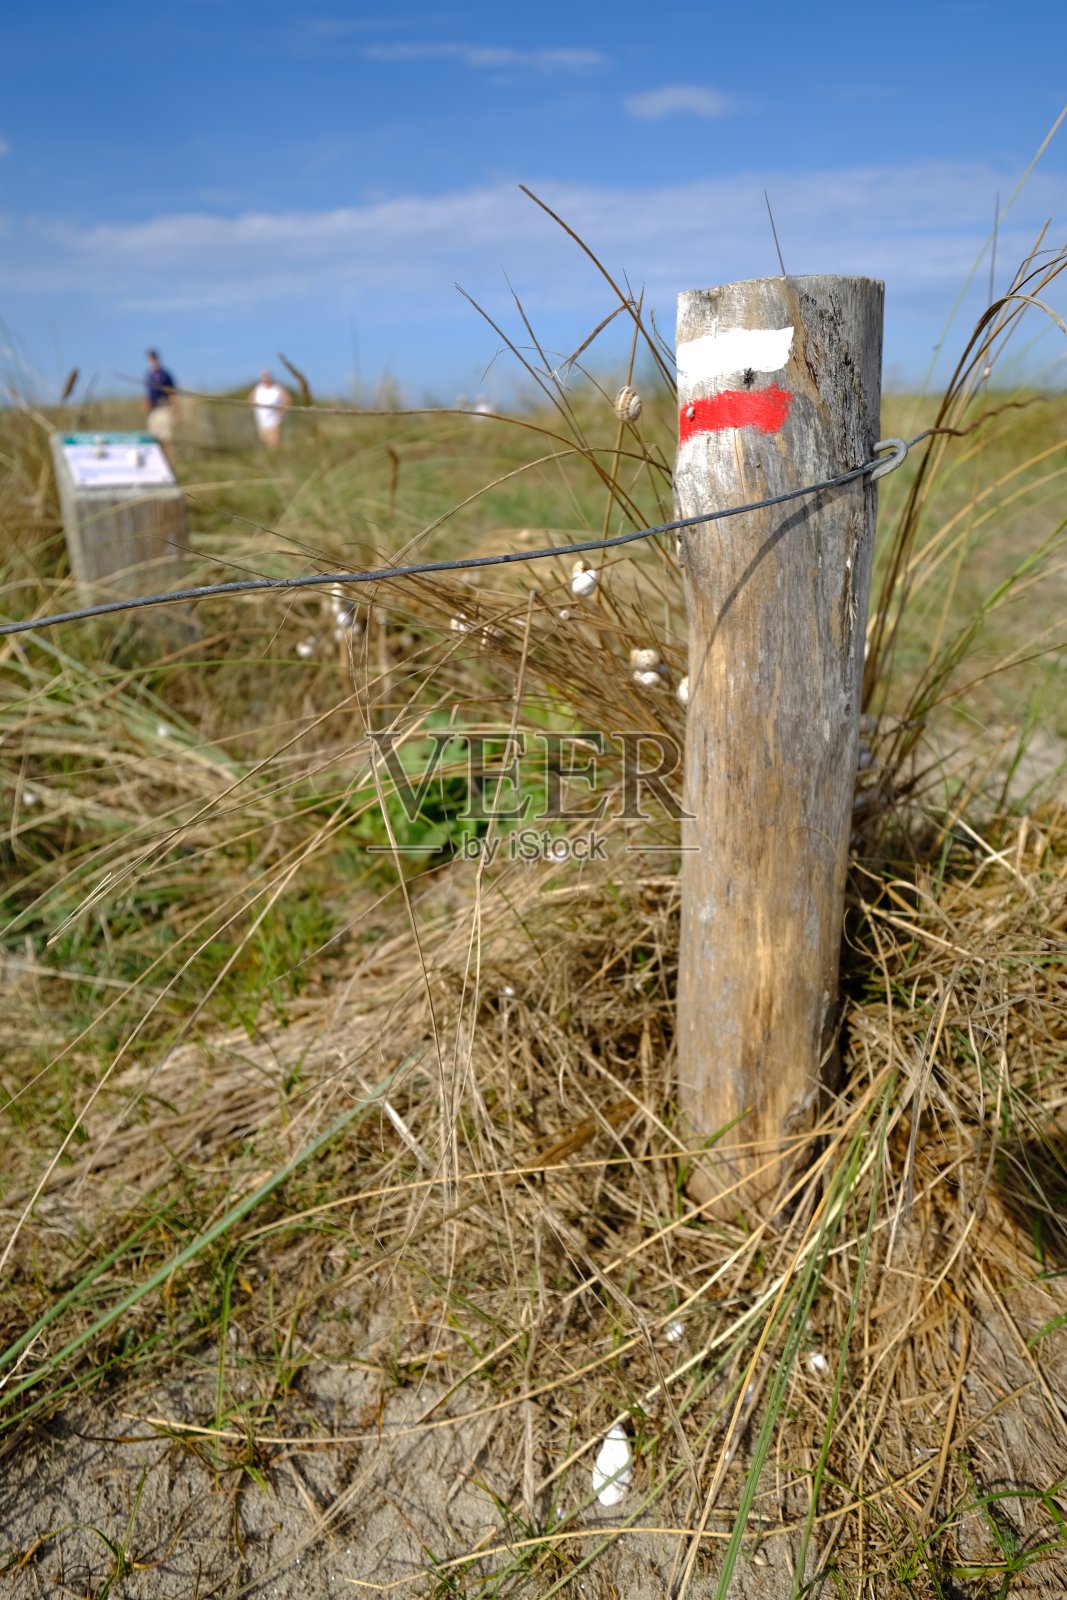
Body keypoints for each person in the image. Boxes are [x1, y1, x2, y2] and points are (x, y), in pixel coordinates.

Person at [144, 349, 178, 455]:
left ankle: (169, 460)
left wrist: (175, 409)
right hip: (154, 410)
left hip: (164, 408)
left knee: (166, 437)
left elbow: (173, 392)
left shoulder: (165, 374)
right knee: (153, 437)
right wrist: (147, 403)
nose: (152, 361)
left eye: (154, 359)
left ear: (157, 359)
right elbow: (148, 392)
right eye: (150, 359)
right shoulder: (149, 375)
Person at [249, 370, 291, 449]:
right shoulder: (258, 388)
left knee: (274, 442)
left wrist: (281, 410)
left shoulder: (277, 388)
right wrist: (255, 409)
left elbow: (288, 399)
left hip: (275, 420)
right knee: (264, 441)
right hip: (261, 421)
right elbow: (251, 400)